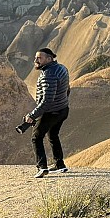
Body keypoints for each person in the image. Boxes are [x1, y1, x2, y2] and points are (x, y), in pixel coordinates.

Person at [25, 47, 71, 178]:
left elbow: (47, 101)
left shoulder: (48, 75)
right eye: (36, 57)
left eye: (39, 58)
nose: (36, 60)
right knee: (53, 135)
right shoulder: (62, 68)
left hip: (51, 112)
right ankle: (60, 165)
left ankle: (42, 167)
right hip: (63, 110)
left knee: (36, 137)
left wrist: (32, 115)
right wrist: (62, 102)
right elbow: (67, 89)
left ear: (49, 59)